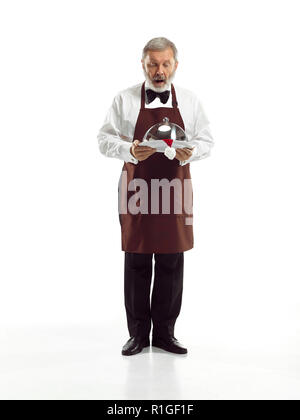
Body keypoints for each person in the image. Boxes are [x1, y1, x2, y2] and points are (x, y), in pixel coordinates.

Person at [97, 37, 214, 356]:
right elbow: (104, 140)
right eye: (153, 64)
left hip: (175, 189)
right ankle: (137, 335)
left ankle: (165, 333)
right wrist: (130, 149)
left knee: (171, 260)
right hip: (137, 188)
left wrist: (190, 153)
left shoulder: (189, 101)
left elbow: (207, 140)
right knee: (136, 259)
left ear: (175, 64)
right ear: (143, 65)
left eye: (165, 64)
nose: (159, 71)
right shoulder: (124, 99)